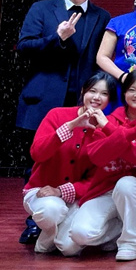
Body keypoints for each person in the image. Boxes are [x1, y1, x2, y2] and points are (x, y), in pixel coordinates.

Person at [16, 0, 111, 244]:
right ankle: (35, 221)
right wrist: (57, 37)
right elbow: (24, 46)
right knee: (38, 160)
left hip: (82, 99)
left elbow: (98, 58)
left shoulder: (101, 16)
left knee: (80, 159)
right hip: (44, 97)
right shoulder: (42, 8)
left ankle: (69, 216)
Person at [67, 70, 136, 261]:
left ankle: (132, 241)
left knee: (126, 183)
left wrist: (110, 132)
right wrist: (129, 135)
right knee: (79, 235)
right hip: (104, 190)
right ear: (124, 92)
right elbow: (96, 156)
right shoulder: (111, 117)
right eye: (132, 90)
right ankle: (120, 229)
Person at [22, 72, 116, 254]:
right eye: (92, 91)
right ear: (83, 92)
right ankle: (50, 234)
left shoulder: (105, 130)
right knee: (51, 209)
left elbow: (95, 179)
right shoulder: (57, 115)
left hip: (74, 197)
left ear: (109, 100)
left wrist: (61, 191)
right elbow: (37, 153)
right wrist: (71, 126)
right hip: (40, 192)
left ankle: (116, 231)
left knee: (69, 248)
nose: (97, 97)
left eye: (104, 94)